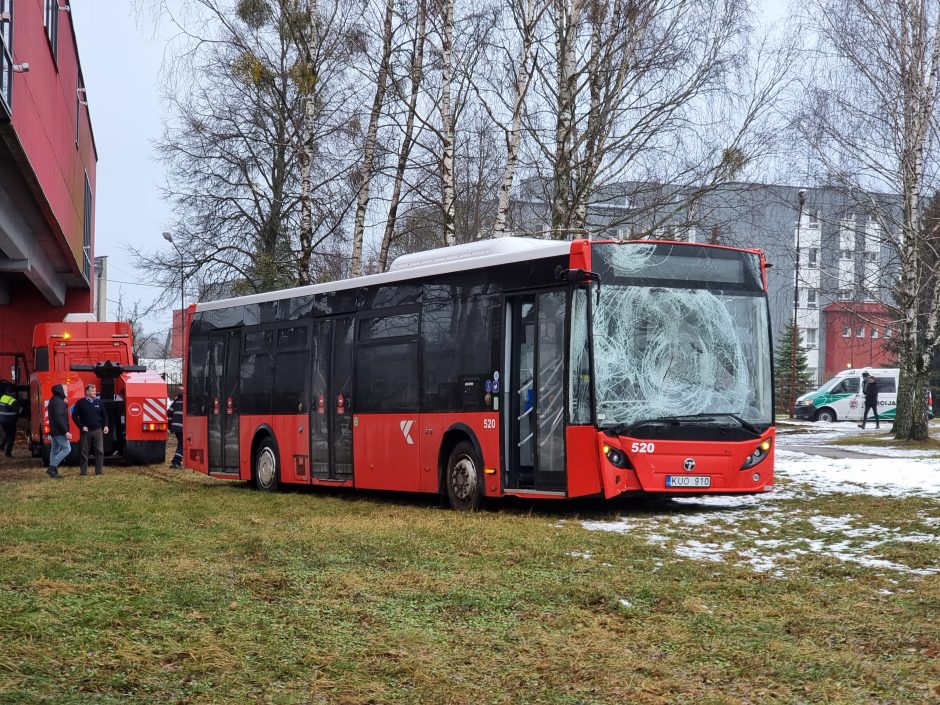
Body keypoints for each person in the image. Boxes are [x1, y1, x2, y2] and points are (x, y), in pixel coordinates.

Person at [71, 383, 109, 476]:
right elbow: (74, 416)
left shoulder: (99, 403)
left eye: (95, 390)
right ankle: (83, 472)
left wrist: (106, 426)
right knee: (84, 451)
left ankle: (99, 472)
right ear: (87, 392)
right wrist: (81, 426)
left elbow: (104, 415)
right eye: (92, 390)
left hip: (98, 430)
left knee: (99, 451)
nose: (95, 392)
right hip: (86, 431)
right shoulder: (80, 403)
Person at [46, 384, 71, 479]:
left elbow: (57, 414)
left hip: (54, 430)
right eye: (66, 389)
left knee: (54, 450)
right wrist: (66, 432)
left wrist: (65, 404)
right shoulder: (59, 402)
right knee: (67, 449)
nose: (67, 391)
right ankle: (52, 467)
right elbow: (59, 418)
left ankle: (53, 471)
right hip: (60, 431)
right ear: (61, 390)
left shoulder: (54, 400)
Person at [0, 384, 18, 458]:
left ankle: (1, 446)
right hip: (10, 420)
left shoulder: (2, 398)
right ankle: (8, 453)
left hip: (2, 420)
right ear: (12, 393)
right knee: (12, 436)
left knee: (8, 433)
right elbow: (18, 410)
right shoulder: (12, 400)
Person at [168, 387, 184, 468]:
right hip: (182, 428)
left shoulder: (176, 401)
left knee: (181, 443)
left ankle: (182, 461)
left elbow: (169, 412)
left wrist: (170, 425)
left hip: (175, 428)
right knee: (182, 444)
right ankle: (176, 461)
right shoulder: (187, 402)